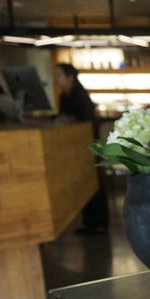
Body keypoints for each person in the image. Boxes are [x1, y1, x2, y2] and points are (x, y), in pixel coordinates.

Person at [53, 63, 108, 234]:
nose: (56, 79)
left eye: (59, 75)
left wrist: (69, 119)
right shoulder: (65, 96)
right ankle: (89, 222)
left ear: (70, 78)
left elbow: (85, 119)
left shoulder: (79, 94)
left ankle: (99, 223)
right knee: (84, 182)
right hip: (78, 146)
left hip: (87, 145)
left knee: (93, 182)